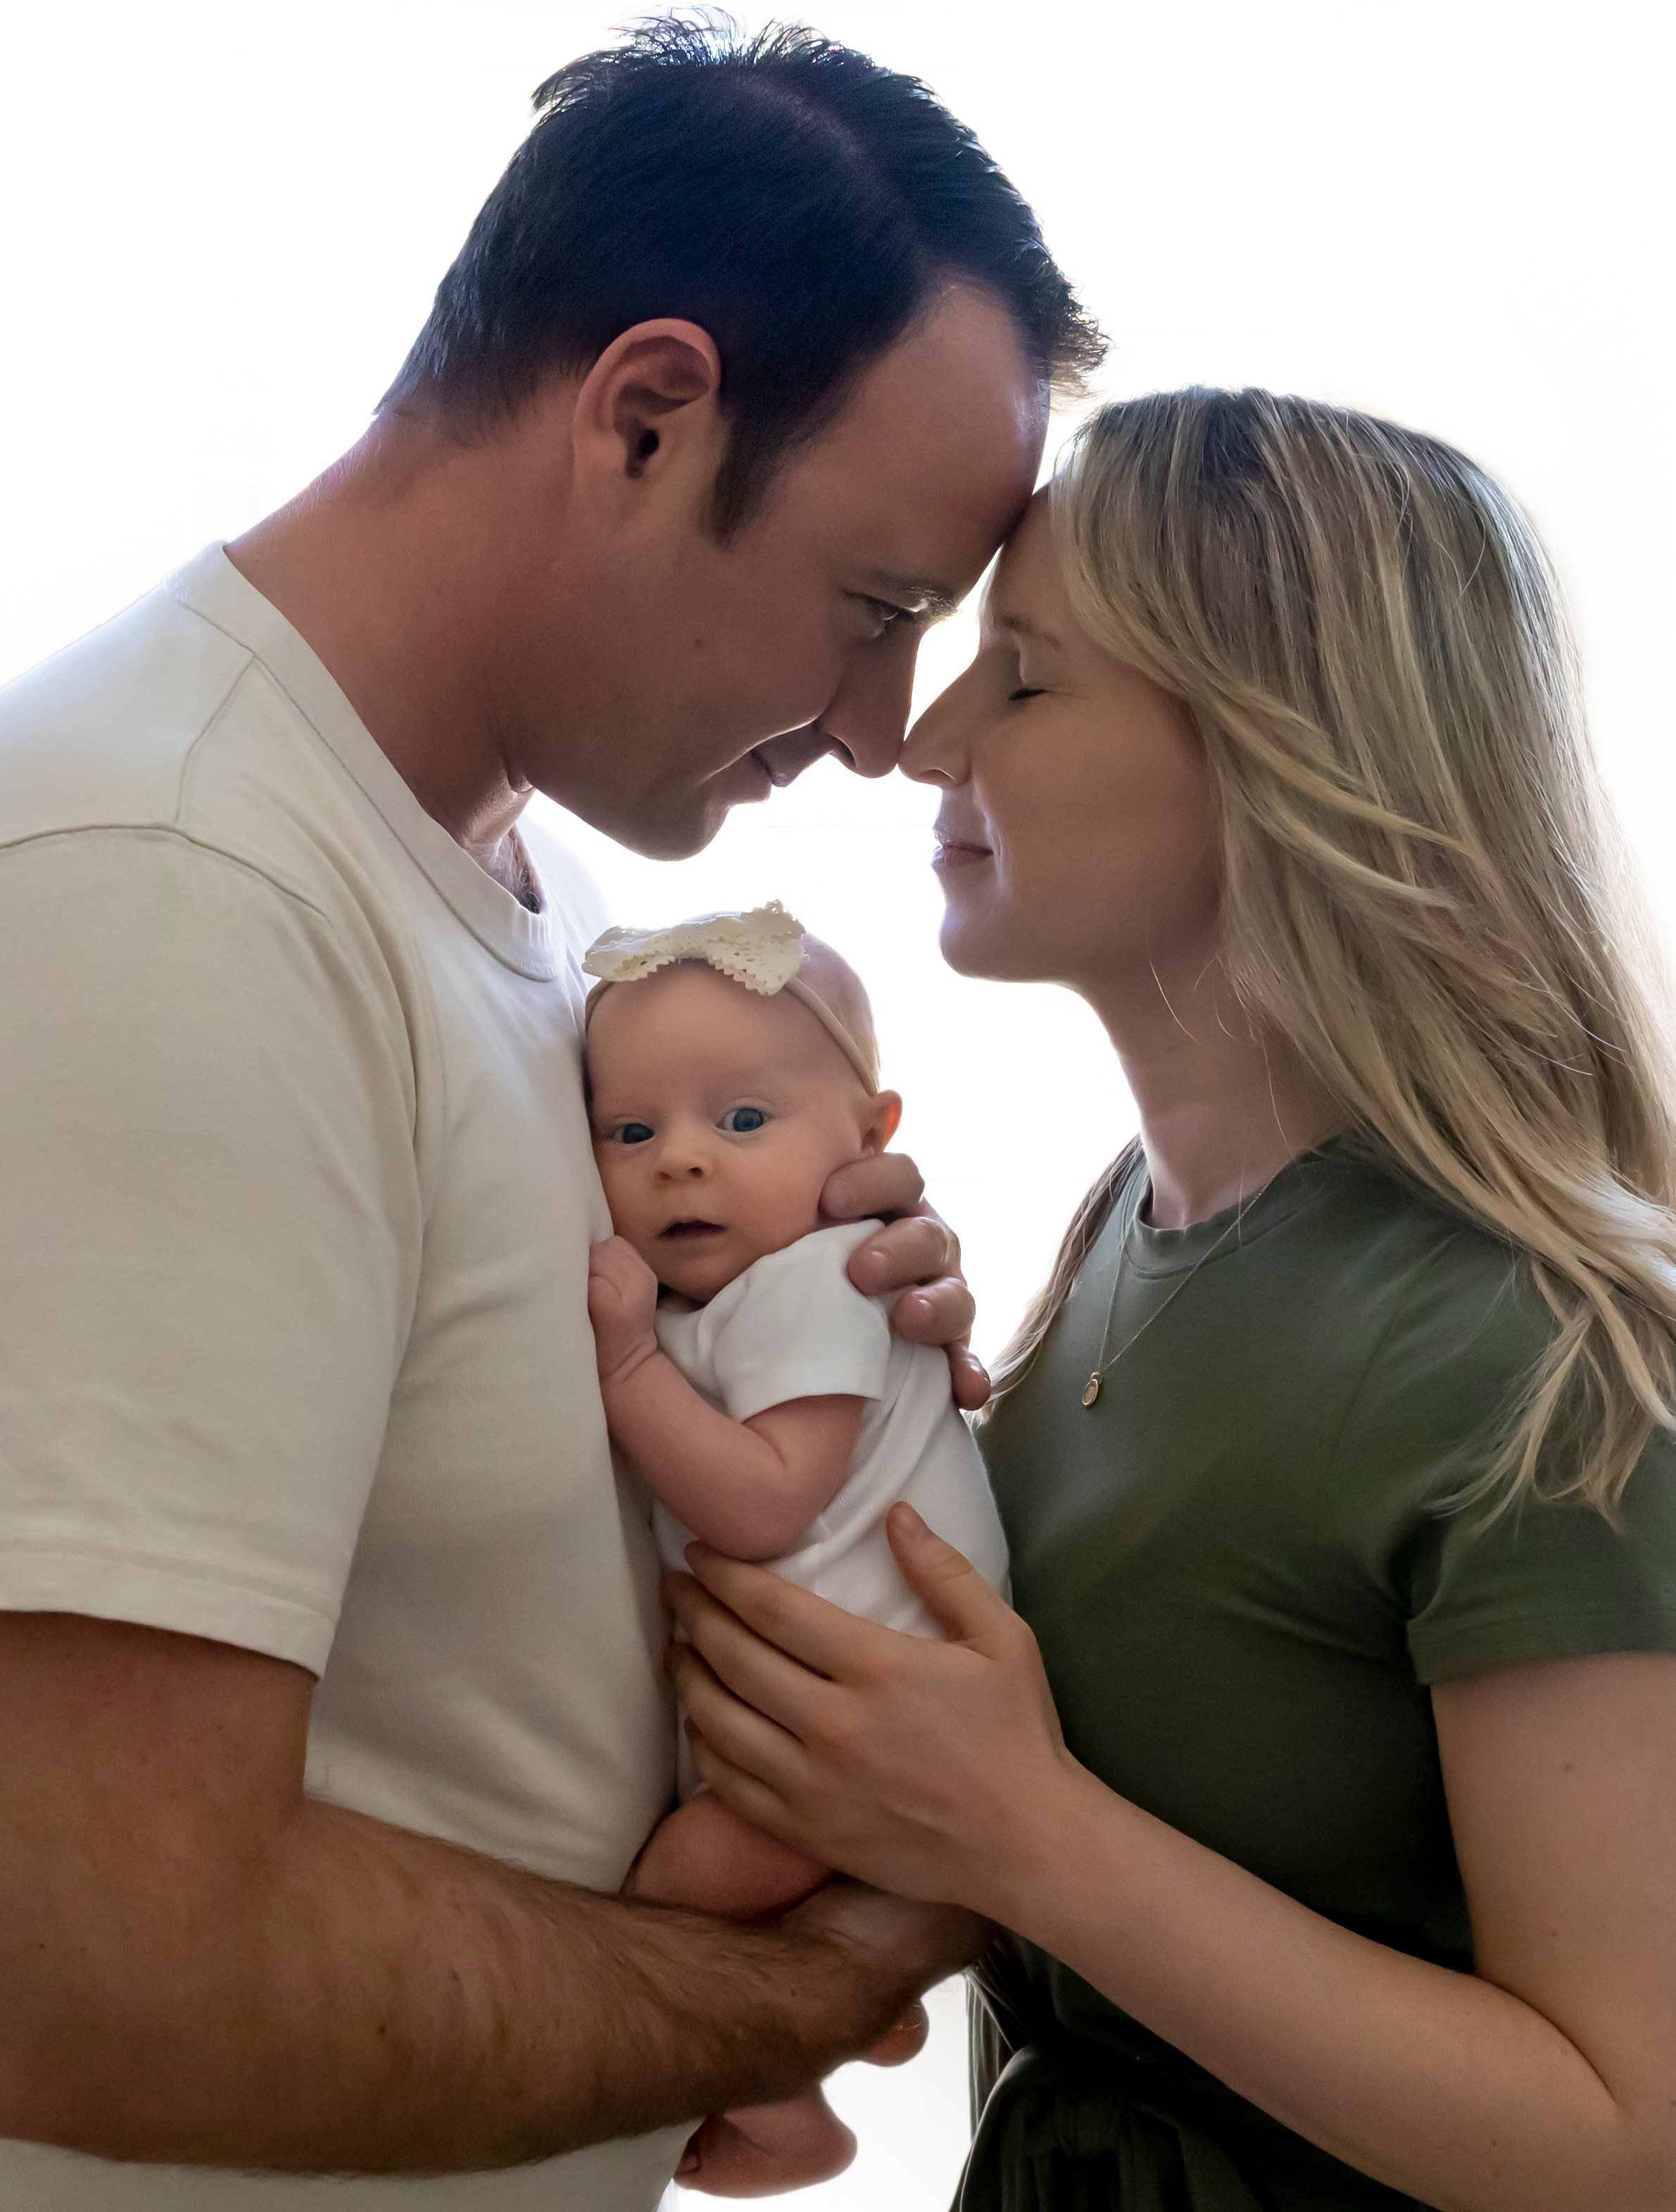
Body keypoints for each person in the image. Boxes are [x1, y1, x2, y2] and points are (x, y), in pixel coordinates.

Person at [0, 18, 1102, 2209]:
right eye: (876, 608)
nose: (886, 730)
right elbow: (101, 1959)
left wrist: (826, 1331)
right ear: (644, 412)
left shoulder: (559, 908)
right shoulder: (175, 891)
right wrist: (839, 1964)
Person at [662, 388, 1676, 2211]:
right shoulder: (1113, 1230)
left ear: (1283, 752)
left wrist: (1026, 1839)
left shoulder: (1546, 1356)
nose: (925, 739)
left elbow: (1621, 2138)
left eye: (1025, 677)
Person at [584, 905, 1009, 2194]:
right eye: (631, 1131)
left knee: (680, 1887)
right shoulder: (726, 1298)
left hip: (880, 1729)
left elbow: (764, 1503)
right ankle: (842, 2020)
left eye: (744, 1121)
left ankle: (783, 2110)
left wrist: (622, 1365)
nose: (683, 1165)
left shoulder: (820, 1279)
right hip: (828, 1718)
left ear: (872, 1139)